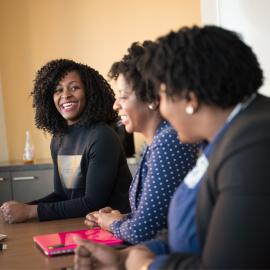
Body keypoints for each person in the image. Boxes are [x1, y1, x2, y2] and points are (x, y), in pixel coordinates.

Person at [73, 25, 270, 269]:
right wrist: (130, 256)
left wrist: (146, 265)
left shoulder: (254, 144)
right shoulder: (222, 138)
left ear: (190, 98)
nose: (162, 109)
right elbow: (193, 227)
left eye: (163, 96)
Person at [84, 41, 199, 244]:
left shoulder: (169, 141)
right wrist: (116, 219)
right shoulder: (155, 142)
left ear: (152, 98)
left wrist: (112, 224)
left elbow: (143, 232)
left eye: (123, 96)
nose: (115, 104)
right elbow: (158, 218)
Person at [0, 59, 132, 223]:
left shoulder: (102, 136)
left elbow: (92, 202)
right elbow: (61, 195)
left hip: (113, 230)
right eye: (58, 90)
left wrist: (29, 211)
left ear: (89, 92)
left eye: (74, 88)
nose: (65, 95)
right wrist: (22, 208)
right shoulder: (58, 139)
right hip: (77, 223)